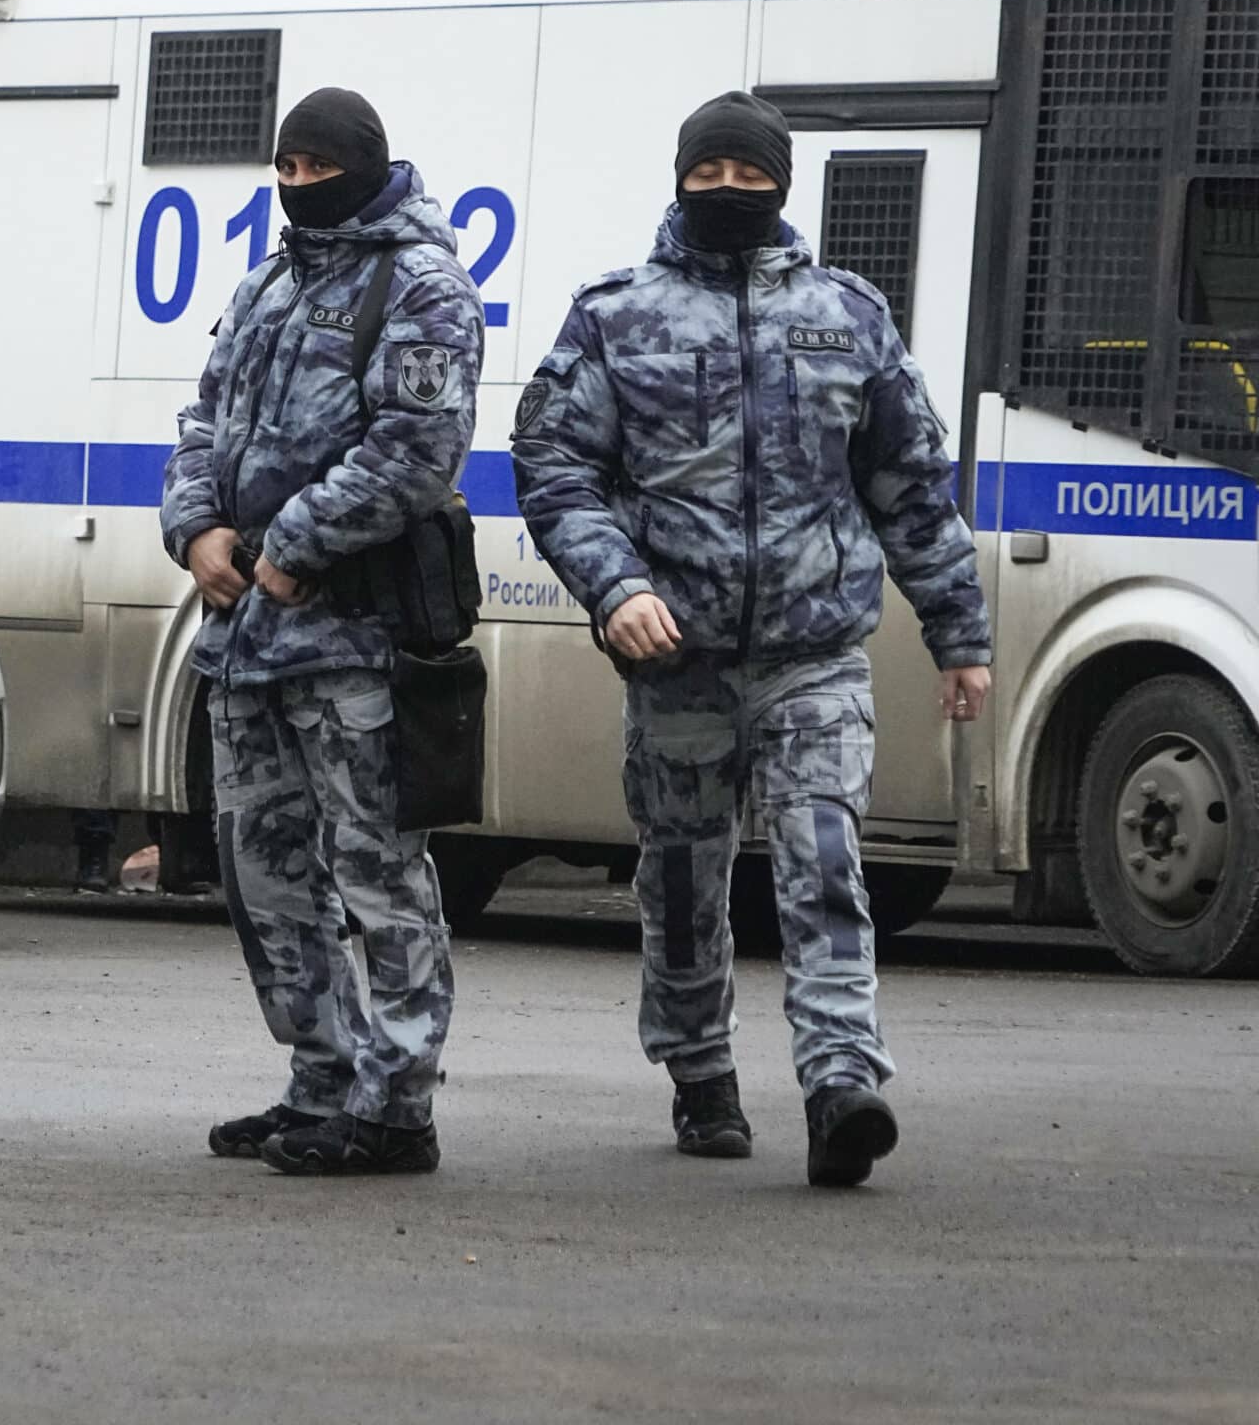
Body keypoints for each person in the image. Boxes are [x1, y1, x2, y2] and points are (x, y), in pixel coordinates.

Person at [510, 90, 991, 1189]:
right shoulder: (614, 316)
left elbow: (911, 489)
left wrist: (960, 632)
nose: (728, 190)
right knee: (683, 881)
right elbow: (554, 470)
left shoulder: (849, 315)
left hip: (814, 651)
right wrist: (614, 587)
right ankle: (700, 1070)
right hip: (674, 659)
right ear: (680, 178)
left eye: (748, 173)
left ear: (782, 181)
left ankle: (839, 1085)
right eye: (709, 173)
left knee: (825, 861)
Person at [160, 88, 482, 1178]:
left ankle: (398, 1106)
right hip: (249, 638)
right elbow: (204, 417)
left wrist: (292, 545)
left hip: (357, 638)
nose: (298, 186)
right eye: (284, 169)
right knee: (263, 874)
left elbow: (413, 452)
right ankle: (319, 1078)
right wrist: (195, 527)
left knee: (379, 873)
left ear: (365, 166)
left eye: (316, 168)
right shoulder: (267, 283)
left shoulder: (422, 284)